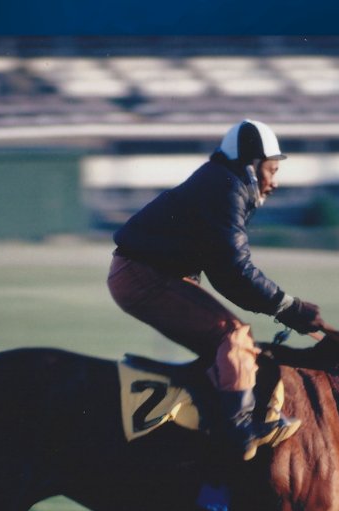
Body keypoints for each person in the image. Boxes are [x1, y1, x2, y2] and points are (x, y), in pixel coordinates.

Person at [107, 119, 324, 460]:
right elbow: (234, 272)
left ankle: (207, 423)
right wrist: (288, 306)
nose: (275, 182)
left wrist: (285, 309)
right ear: (252, 166)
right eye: (272, 169)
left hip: (148, 272)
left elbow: (228, 273)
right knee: (233, 337)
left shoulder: (224, 182)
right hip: (143, 276)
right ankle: (236, 431)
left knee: (234, 342)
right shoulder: (225, 188)